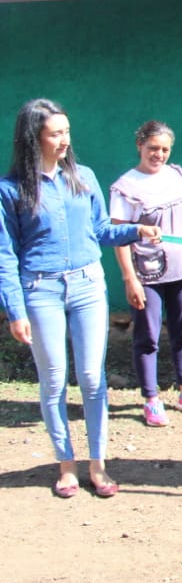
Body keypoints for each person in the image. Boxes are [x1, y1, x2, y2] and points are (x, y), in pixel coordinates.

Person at [0, 99, 161, 499]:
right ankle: (66, 465)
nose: (65, 141)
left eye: (67, 132)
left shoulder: (83, 177)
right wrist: (15, 309)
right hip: (41, 290)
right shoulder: (10, 189)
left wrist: (136, 230)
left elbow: (101, 230)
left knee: (92, 377)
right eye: (56, 134)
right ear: (33, 137)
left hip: (89, 285)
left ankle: (98, 463)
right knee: (53, 379)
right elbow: (5, 255)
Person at [109, 120, 182, 427]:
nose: (159, 154)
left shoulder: (181, 177)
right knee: (148, 337)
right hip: (147, 275)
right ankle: (151, 399)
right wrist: (130, 279)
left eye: (165, 149)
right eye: (153, 148)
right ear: (139, 145)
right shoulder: (125, 187)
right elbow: (119, 237)